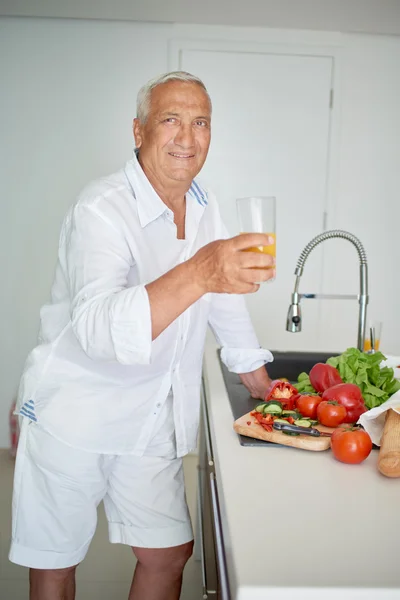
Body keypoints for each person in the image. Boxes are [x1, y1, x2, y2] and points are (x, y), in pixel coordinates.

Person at [9, 71, 275, 600]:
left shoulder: (204, 202)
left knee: (168, 553)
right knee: (56, 564)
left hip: (148, 416)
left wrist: (258, 377)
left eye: (200, 122)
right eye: (170, 119)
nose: (187, 136)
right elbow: (98, 329)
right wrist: (200, 269)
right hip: (72, 412)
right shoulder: (100, 208)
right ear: (138, 131)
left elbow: (222, 294)